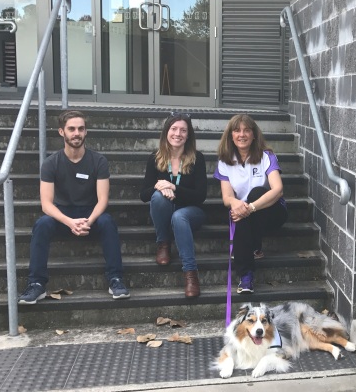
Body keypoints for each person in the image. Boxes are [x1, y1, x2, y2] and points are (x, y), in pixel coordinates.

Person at [18, 110, 130, 304]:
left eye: (80, 129)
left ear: (85, 132)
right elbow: (46, 204)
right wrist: (70, 222)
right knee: (42, 224)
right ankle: (36, 284)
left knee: (108, 222)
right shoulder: (51, 163)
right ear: (62, 132)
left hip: (90, 215)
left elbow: (103, 199)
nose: (76, 133)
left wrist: (88, 221)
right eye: (71, 129)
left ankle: (116, 279)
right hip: (63, 216)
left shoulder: (98, 161)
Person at [214, 114, 287, 294]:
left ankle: (252, 247)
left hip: (273, 212)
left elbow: (278, 190)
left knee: (253, 195)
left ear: (254, 135)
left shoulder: (266, 156)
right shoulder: (224, 161)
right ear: (231, 135)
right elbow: (227, 197)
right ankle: (246, 276)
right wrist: (237, 204)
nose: (242, 134)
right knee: (237, 207)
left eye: (247, 130)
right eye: (237, 130)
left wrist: (250, 207)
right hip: (246, 215)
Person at [139, 112, 207, 298]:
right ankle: (163, 243)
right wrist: (159, 185)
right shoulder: (155, 158)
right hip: (165, 210)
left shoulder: (197, 158)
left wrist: (173, 187)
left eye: (183, 130)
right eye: (174, 129)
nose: (178, 134)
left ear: (188, 135)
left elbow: (200, 196)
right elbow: (143, 195)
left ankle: (191, 274)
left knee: (179, 216)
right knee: (158, 198)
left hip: (192, 212)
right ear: (166, 132)